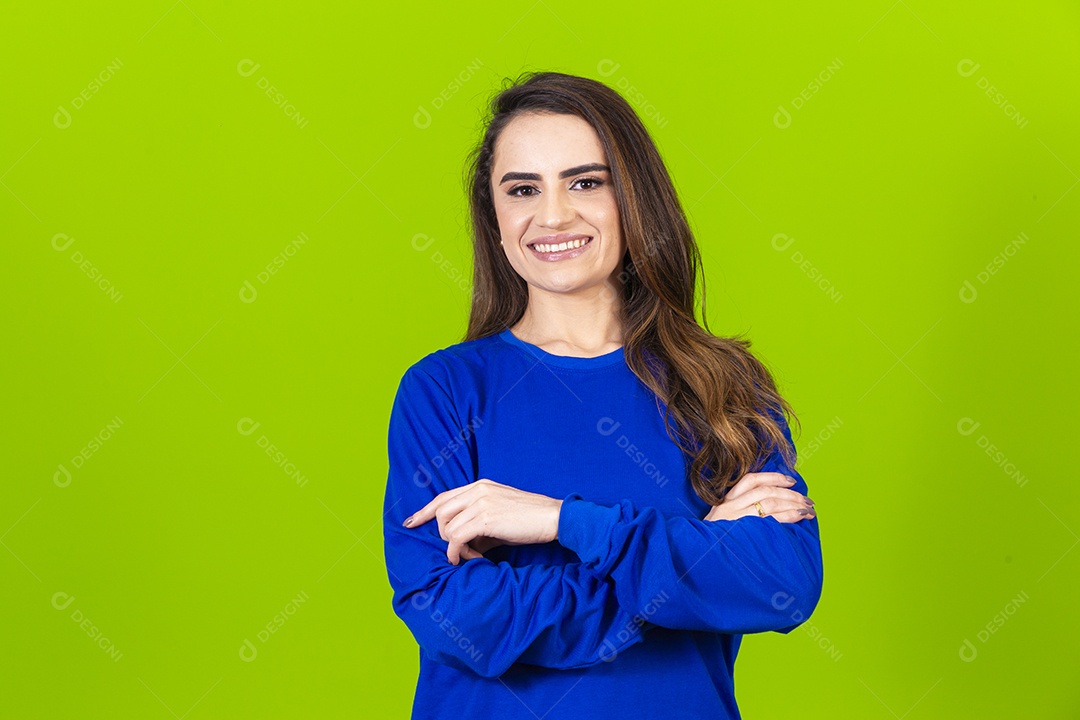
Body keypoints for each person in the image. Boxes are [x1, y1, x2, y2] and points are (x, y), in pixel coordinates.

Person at [382, 70, 823, 719]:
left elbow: (781, 587)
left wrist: (562, 520)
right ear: (496, 216)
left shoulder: (721, 383)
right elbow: (461, 623)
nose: (554, 214)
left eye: (586, 181)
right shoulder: (445, 391)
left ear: (634, 198)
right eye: (523, 189)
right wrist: (690, 550)